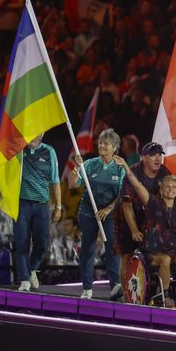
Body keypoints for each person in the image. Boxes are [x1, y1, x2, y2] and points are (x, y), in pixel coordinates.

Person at [0, 101, 62, 291]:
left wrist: (58, 206)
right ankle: (25, 279)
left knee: (42, 245)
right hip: (22, 204)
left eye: (37, 131)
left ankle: (32, 269)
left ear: (42, 133)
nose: (34, 135)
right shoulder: (18, 149)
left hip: (42, 205)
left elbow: (55, 181)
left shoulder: (49, 151)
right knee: (21, 243)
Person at [122, 168, 176, 309]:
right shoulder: (153, 204)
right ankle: (164, 296)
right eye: (167, 187)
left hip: (174, 249)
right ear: (161, 189)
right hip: (153, 249)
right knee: (165, 259)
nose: (170, 189)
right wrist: (126, 168)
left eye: (174, 187)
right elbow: (138, 186)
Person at [68, 128, 125, 300]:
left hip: (110, 212)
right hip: (88, 211)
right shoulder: (90, 164)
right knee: (88, 248)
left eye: (106, 143)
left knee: (112, 248)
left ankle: (115, 285)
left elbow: (122, 194)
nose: (101, 146)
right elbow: (72, 185)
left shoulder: (120, 167)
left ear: (114, 147)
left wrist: (108, 209)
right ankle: (87, 288)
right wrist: (76, 168)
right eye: (100, 142)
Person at [117, 141, 171, 282]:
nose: (157, 158)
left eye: (160, 154)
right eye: (153, 155)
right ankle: (126, 295)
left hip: (153, 221)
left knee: (159, 256)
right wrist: (134, 230)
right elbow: (127, 205)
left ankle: (155, 291)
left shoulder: (165, 173)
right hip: (131, 216)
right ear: (143, 158)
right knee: (127, 256)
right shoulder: (133, 172)